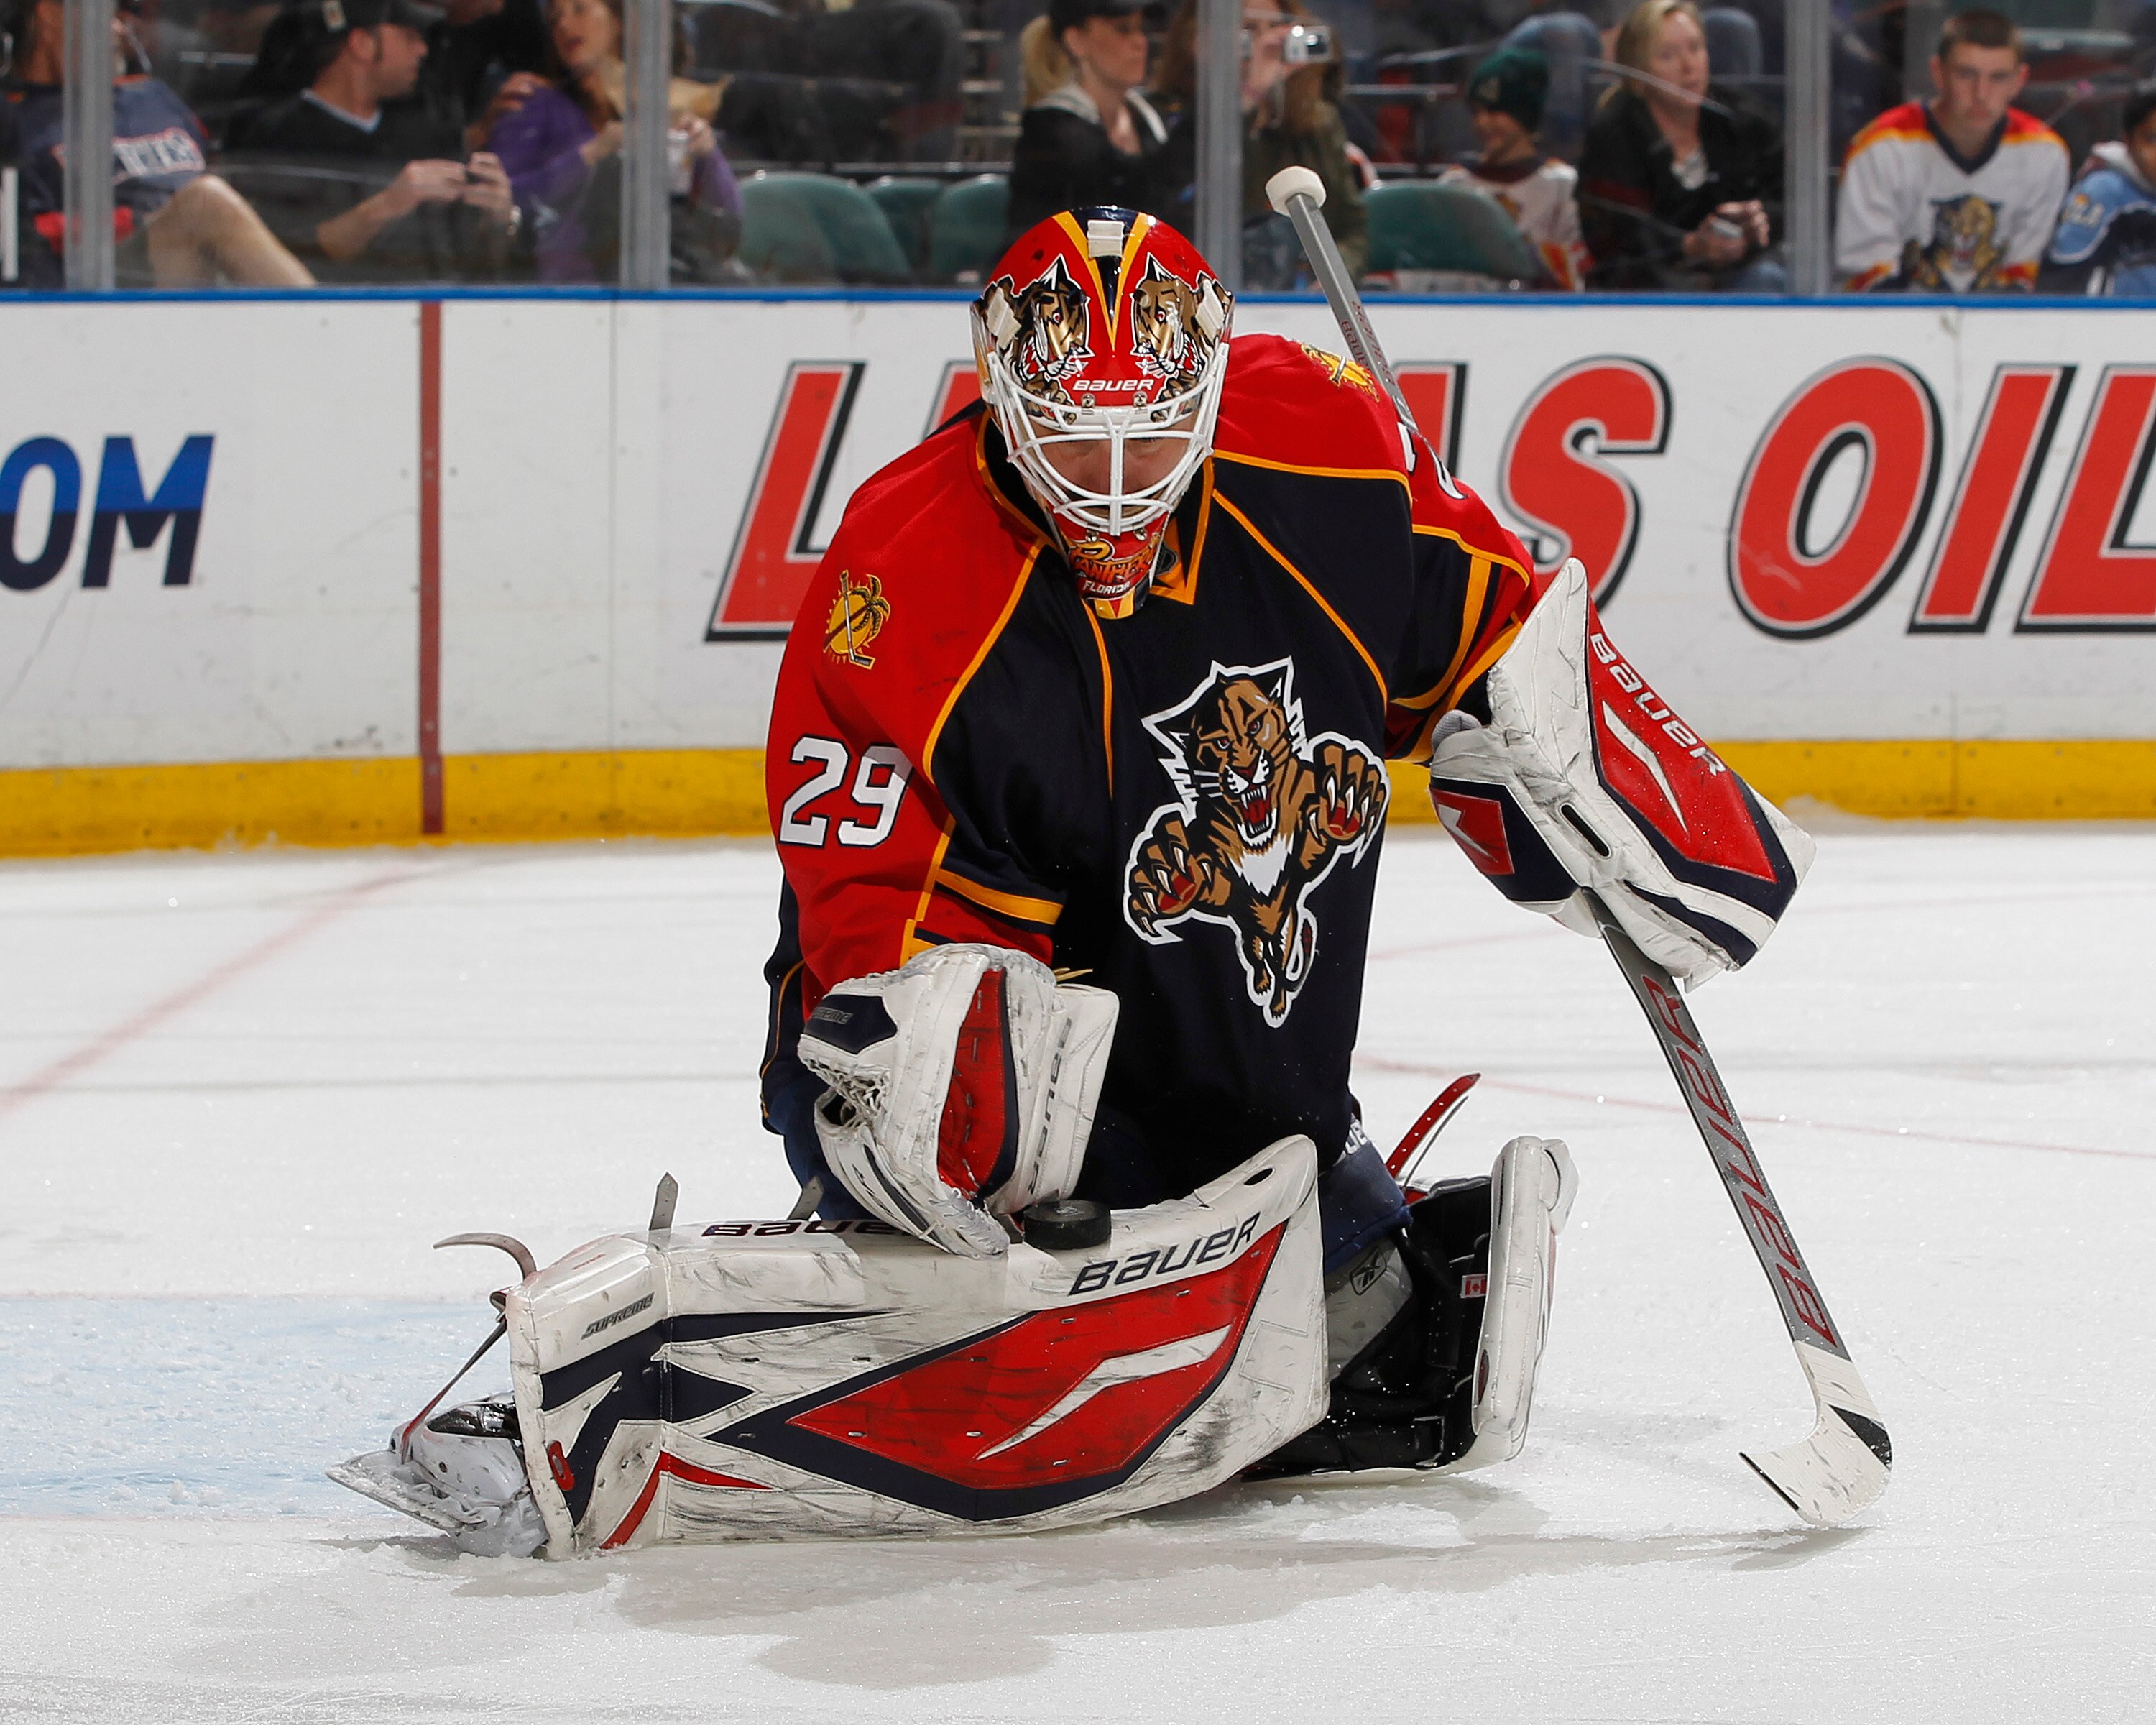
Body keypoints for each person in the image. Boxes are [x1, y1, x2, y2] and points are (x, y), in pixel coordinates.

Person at [747, 204, 1812, 1503]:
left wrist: (1601, 771)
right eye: (1075, 438)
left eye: (1151, 437)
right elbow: (872, 900)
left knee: (1390, 1328)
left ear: (1208, 392)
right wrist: (939, 1130)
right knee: (967, 1077)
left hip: (1251, 1074)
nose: (1114, 485)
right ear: (1000, 394)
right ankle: (938, 1264)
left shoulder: (1328, 446)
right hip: (1024, 1034)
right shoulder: (904, 570)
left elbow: (1493, 631)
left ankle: (1280, 1221)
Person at [1, 0, 311, 288]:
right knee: (205, 203)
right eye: (107, 16)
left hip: (206, 280)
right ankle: (319, 320)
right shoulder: (14, 121)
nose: (120, 29)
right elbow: (24, 239)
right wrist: (151, 217)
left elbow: (223, 184)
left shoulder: (155, 97)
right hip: (98, 285)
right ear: (51, 13)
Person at [231, 0, 519, 284]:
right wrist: (391, 203)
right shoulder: (277, 135)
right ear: (363, 44)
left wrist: (497, 220)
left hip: (441, 304)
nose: (422, 49)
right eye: (409, 36)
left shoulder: (426, 128)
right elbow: (282, 257)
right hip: (331, 308)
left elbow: (473, 263)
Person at [486, 0, 739, 283]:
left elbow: (730, 219)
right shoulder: (534, 105)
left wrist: (707, 155)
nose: (564, 26)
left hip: (673, 280)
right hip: (570, 288)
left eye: (579, 9)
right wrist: (591, 155)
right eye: (555, 19)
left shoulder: (667, 106)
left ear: (620, 20)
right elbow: (500, 199)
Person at [1835, 9, 2068, 293]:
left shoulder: (2044, 154)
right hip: (1895, 318)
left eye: (1998, 78)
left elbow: (2022, 279)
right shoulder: (1880, 148)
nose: (1981, 94)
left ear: (2019, 80)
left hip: (1997, 320)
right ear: (1938, 73)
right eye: (1966, 75)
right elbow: (1869, 282)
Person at [1153, 0, 1368, 283]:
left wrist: (1331, 278)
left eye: (1276, 27)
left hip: (1304, 291)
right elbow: (1189, 209)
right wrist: (1249, 96)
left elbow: (1352, 227)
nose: (1268, 43)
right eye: (1250, 29)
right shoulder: (1172, 119)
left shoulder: (1318, 123)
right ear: (1201, 42)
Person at [1575, 0, 1782, 292]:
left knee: (1767, 277)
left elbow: (1793, 203)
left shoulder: (1745, 121)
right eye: (1667, 55)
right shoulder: (1613, 135)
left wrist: (1758, 222)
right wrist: (1689, 246)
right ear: (1639, 73)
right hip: (1646, 289)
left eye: (1695, 49)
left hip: (1740, 276)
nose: (1689, 66)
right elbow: (1612, 237)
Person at [1005, 0, 1174, 242]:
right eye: (1123, 29)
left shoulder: (1150, 121)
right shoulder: (1051, 130)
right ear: (1077, 41)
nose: (1141, 42)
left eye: (1143, 29)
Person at [1438, 45, 1590, 290]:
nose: (1482, 122)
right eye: (1477, 111)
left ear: (1524, 114)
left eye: (1495, 111)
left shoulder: (1561, 186)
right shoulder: (1454, 184)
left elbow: (1574, 270)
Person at [2042, 81, 2156, 295]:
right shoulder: (2104, 192)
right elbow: (2061, 284)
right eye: (2153, 139)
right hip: (2117, 315)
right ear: (2129, 142)